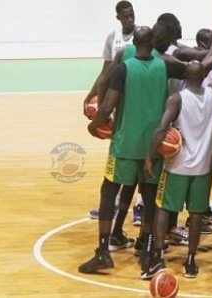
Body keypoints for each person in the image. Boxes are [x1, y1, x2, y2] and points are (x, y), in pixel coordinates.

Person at [78, 26, 186, 274]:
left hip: (125, 145)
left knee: (108, 193)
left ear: (134, 43)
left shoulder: (123, 69)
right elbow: (192, 70)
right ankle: (148, 251)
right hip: (153, 147)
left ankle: (104, 251)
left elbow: (107, 107)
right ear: (152, 43)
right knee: (150, 199)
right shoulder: (165, 65)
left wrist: (94, 126)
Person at [141, 29, 212, 280]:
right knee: (195, 215)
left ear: (185, 75)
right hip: (203, 168)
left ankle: (159, 258)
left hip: (177, 166)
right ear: (203, 75)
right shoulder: (211, 93)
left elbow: (162, 128)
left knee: (163, 210)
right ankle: (192, 262)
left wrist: (150, 157)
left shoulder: (177, 99)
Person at [83, 0, 143, 227]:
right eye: (126, 16)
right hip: (117, 101)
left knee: (136, 156)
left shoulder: (141, 37)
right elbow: (105, 71)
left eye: (132, 15)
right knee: (120, 157)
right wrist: (90, 96)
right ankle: (112, 203)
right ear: (118, 17)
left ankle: (139, 206)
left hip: (135, 101)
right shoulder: (113, 38)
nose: (130, 19)